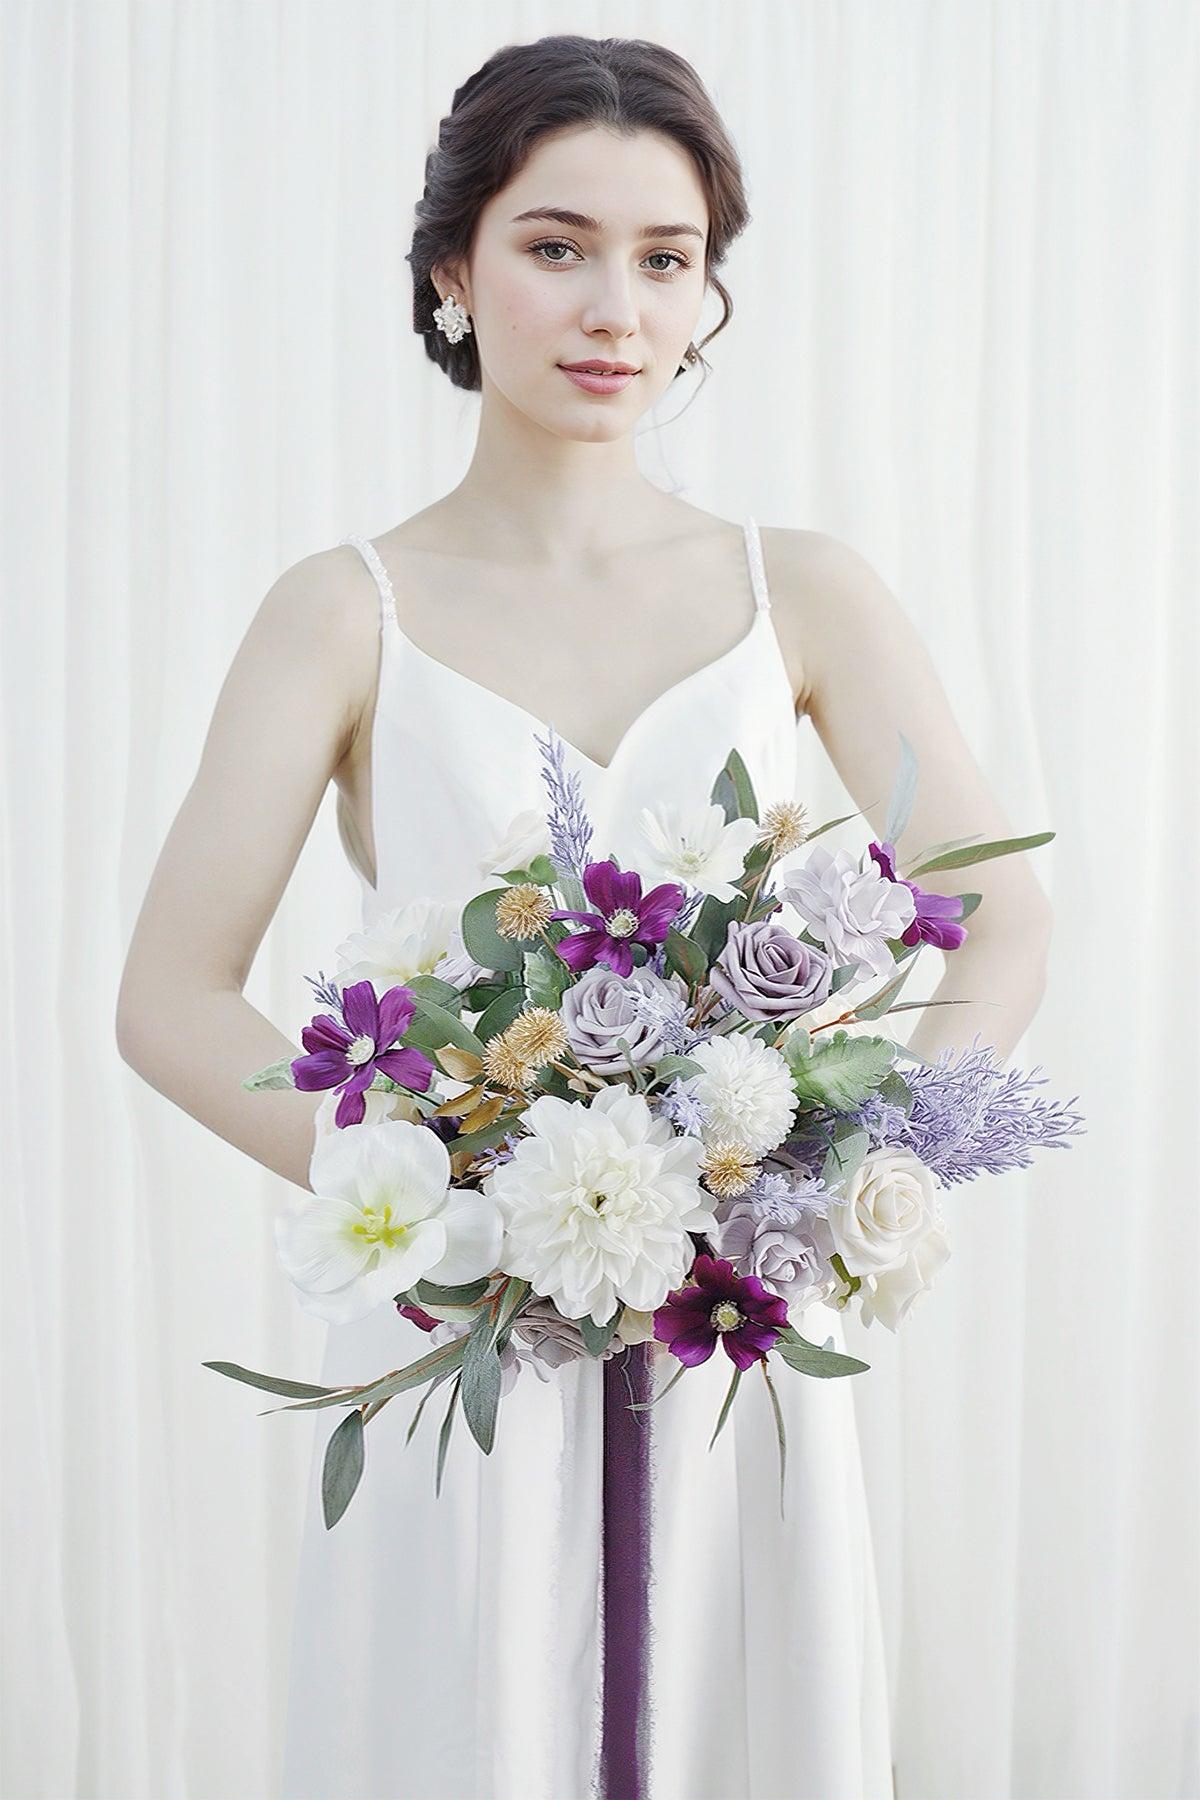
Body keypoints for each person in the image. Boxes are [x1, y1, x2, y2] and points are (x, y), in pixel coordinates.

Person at [115, 33, 1053, 1800]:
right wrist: (433, 1186)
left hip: (732, 1328)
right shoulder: (345, 612)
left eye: (667, 256)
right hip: (465, 1338)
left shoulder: (807, 592)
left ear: (707, 293)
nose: (616, 304)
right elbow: (169, 994)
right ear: (452, 272)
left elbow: (1000, 914)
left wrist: (850, 1176)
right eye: (556, 246)